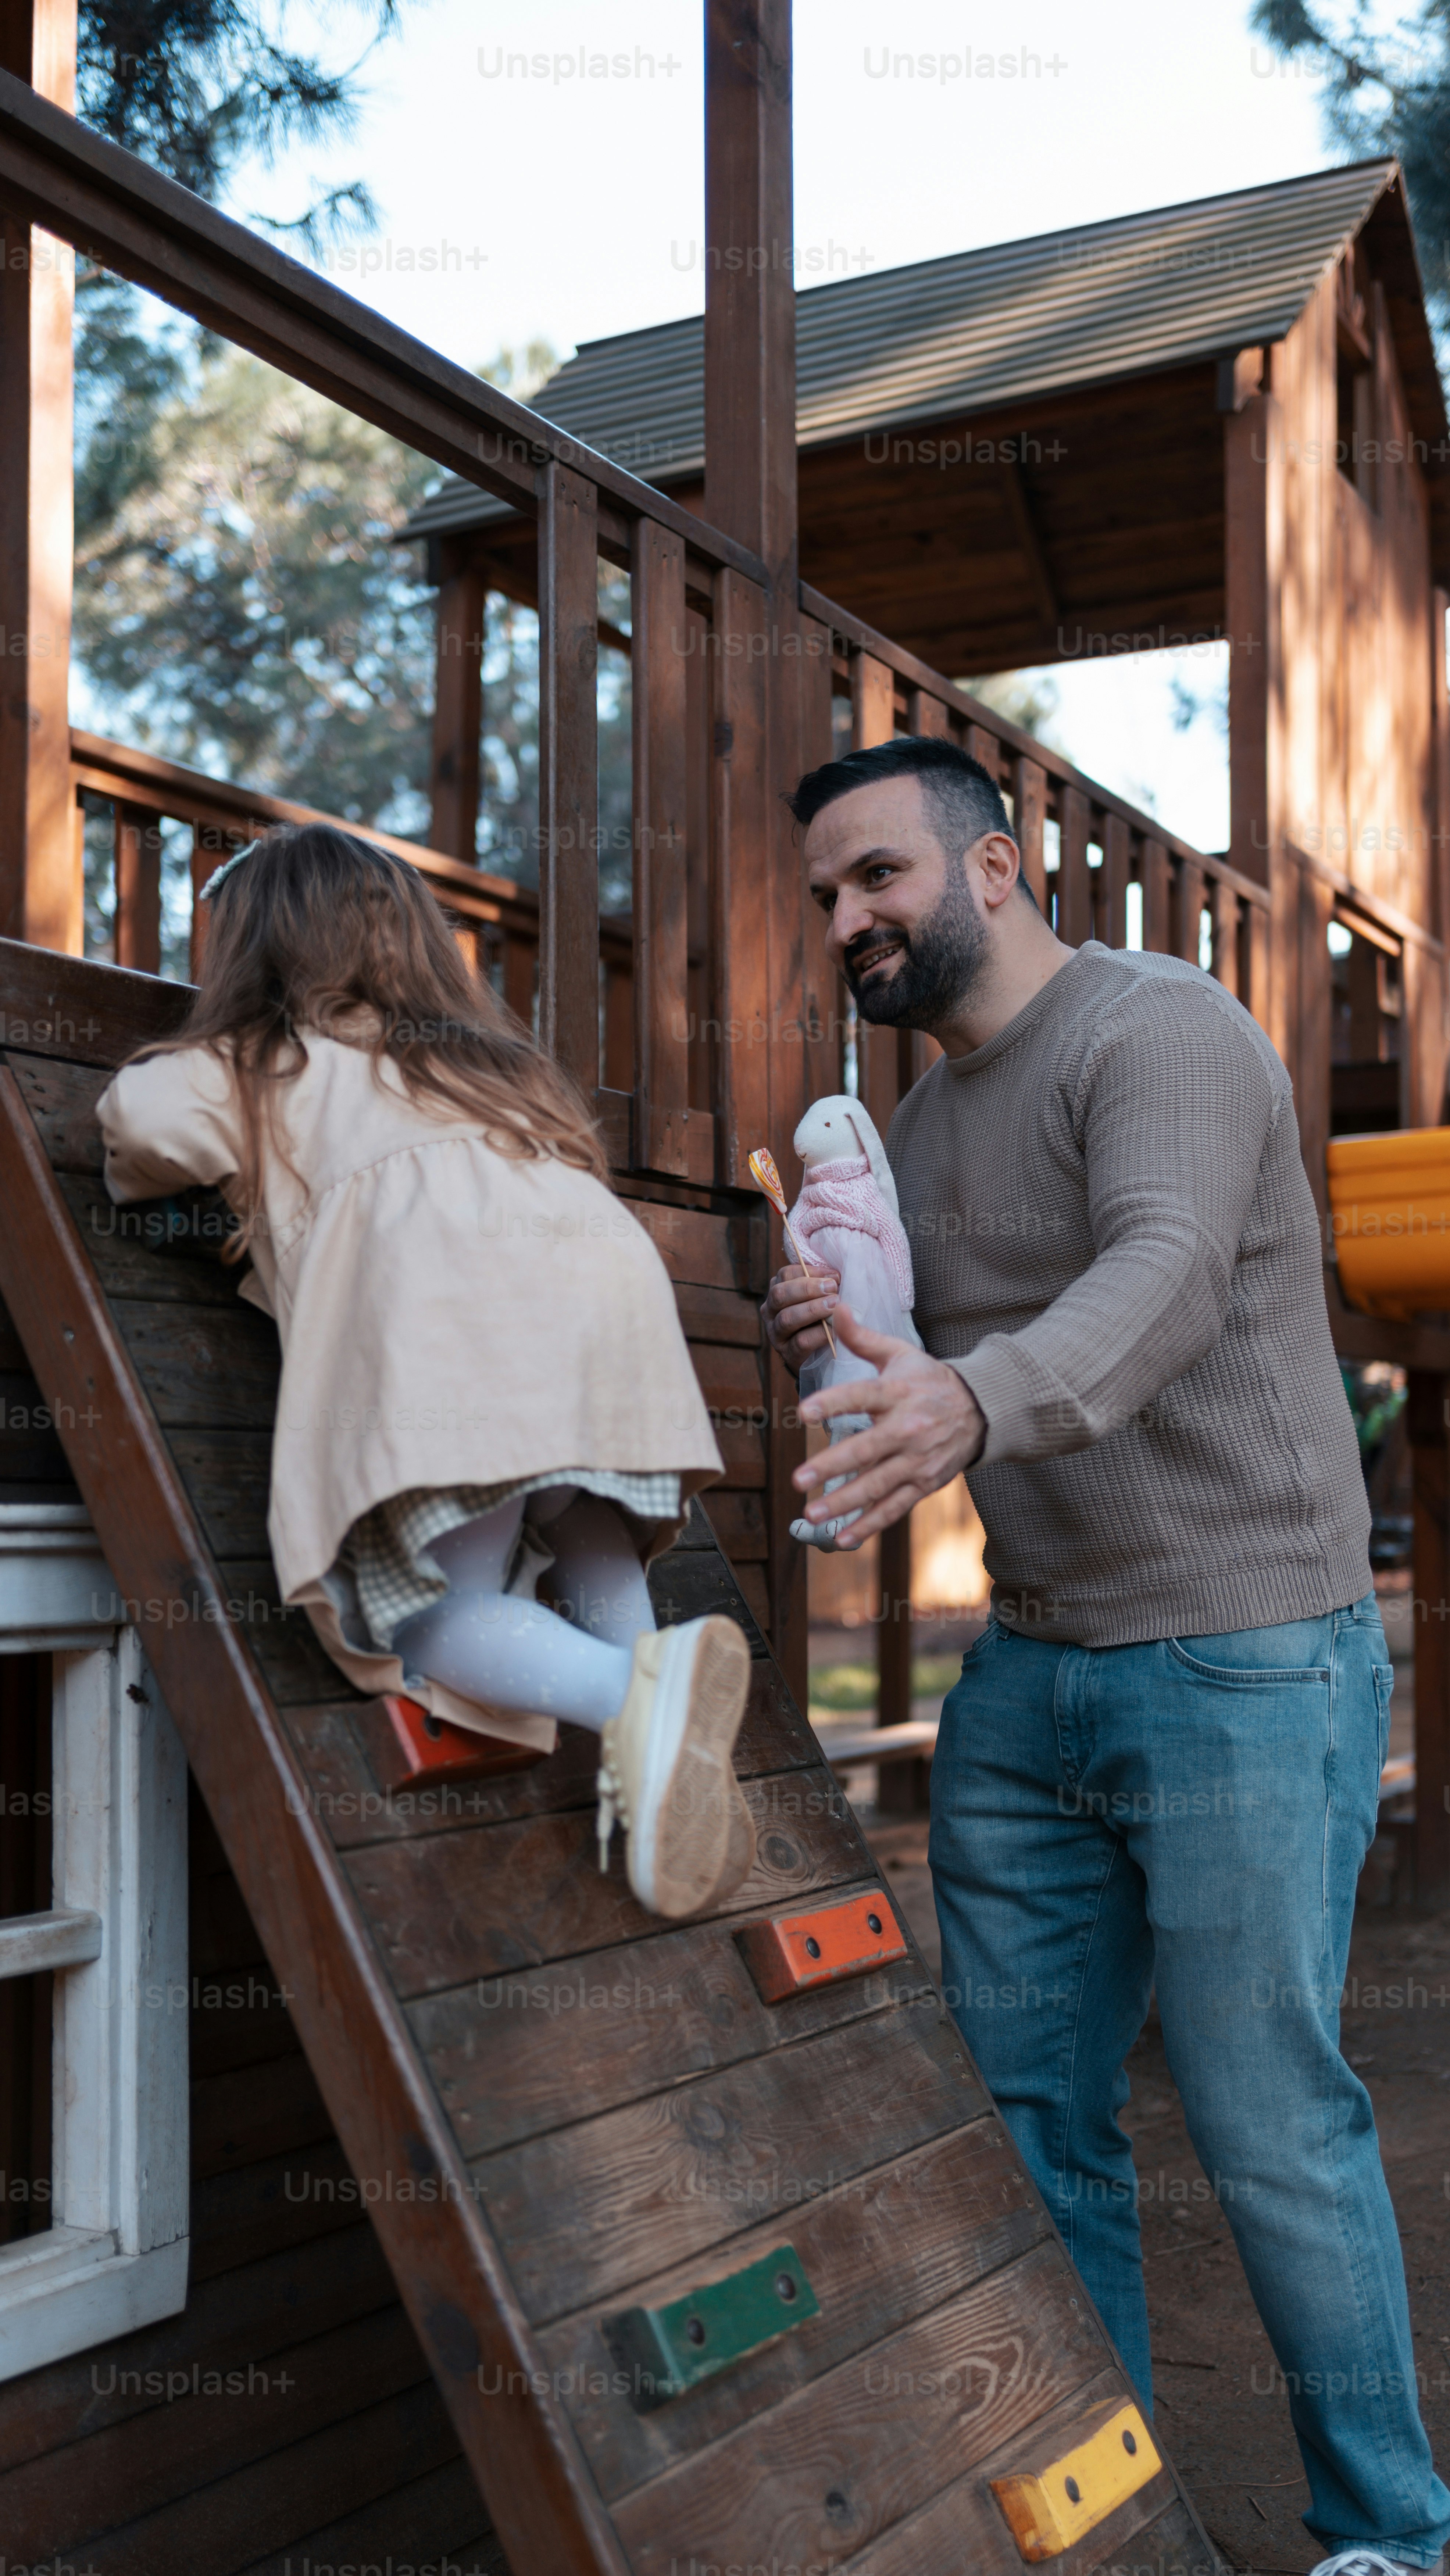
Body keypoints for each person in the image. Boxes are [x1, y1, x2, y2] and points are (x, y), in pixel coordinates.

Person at [762, 735, 1448, 2576]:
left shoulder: (1161, 1033)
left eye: (877, 877)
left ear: (992, 869)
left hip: (1239, 1657)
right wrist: (840, 1326)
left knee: (1260, 2118)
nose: (847, 920)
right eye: (826, 894)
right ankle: (1112, 2524)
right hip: (1033, 1670)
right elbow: (918, 1354)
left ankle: (1387, 2535)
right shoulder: (913, 1128)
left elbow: (1149, 1280)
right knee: (1028, 2121)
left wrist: (965, 1396)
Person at [98, 823, 753, 1921]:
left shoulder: (262, 1062)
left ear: (255, 953)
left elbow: (141, 1125)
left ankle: (630, 1696)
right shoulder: (483, 1067)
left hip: (467, 1323)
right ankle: (659, 1756)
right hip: (602, 1297)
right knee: (582, 1521)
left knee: (433, 1618)